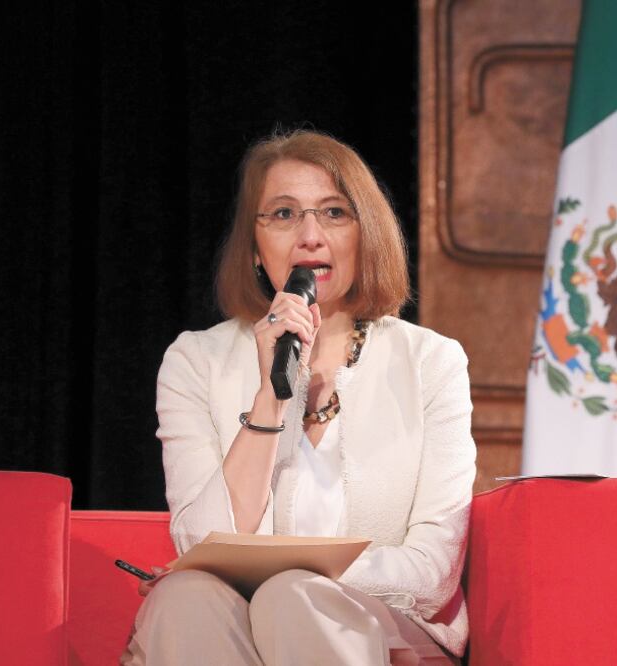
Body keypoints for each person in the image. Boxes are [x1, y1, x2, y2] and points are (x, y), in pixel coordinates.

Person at [122, 130, 476, 665]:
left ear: (365, 233)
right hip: (229, 632)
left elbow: (432, 571)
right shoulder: (195, 360)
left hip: (388, 634)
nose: (311, 237)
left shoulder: (431, 361)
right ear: (254, 246)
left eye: (334, 213)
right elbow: (201, 544)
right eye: (284, 214)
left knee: (292, 599)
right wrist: (272, 394)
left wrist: (286, 575)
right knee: (185, 598)